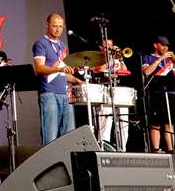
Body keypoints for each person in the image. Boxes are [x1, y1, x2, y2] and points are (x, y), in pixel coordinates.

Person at [32, 13, 83, 145]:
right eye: (54, 26)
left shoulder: (62, 45)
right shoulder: (41, 44)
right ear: (47, 25)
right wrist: (60, 69)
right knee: (51, 138)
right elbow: (39, 68)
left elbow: (62, 73)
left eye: (60, 26)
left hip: (65, 94)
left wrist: (77, 81)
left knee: (69, 136)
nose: (58, 29)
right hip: (49, 94)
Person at [142, 36, 175, 152]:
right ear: (156, 45)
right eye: (163, 45)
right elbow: (146, 72)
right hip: (156, 93)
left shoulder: (170, 60)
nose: (165, 47)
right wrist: (160, 59)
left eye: (166, 45)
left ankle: (171, 149)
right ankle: (156, 149)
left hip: (170, 92)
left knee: (170, 123)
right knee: (156, 123)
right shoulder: (147, 57)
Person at [93, 39, 130, 151]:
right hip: (103, 91)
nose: (109, 48)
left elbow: (125, 71)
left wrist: (119, 59)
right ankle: (104, 149)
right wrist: (111, 61)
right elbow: (98, 69)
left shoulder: (117, 59)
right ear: (101, 47)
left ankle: (123, 149)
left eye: (110, 45)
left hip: (119, 92)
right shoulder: (96, 58)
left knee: (123, 121)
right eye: (106, 46)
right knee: (105, 122)